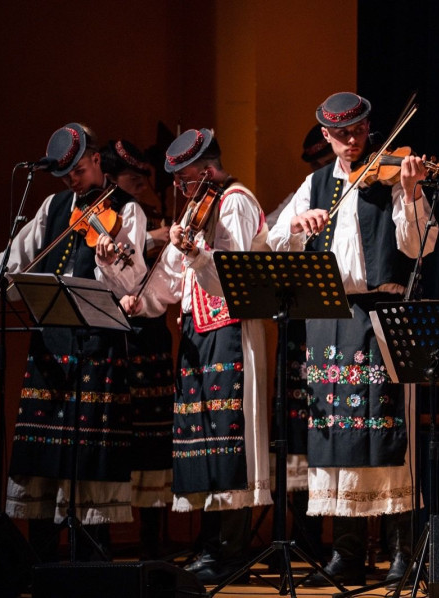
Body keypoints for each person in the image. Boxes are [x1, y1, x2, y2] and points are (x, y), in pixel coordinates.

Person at [267, 91, 436, 587]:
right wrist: (297, 225)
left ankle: (401, 551)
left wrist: (411, 192)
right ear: (326, 135)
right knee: (336, 431)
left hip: (382, 311)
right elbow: (273, 240)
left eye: (359, 130)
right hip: (329, 316)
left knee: (386, 428)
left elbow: (420, 245)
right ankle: (347, 552)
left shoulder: (394, 174)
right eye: (341, 134)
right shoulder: (316, 183)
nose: (352, 140)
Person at [0, 123, 147, 561]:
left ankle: (92, 562)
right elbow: (22, 251)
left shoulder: (127, 211)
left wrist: (109, 263)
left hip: (97, 345)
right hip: (51, 344)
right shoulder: (54, 206)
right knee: (44, 452)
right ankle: (41, 561)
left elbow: (133, 281)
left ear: (96, 159)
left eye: (78, 170)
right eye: (65, 174)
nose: (72, 180)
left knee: (88, 453)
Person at [120, 128, 272, 582]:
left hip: (231, 329)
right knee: (202, 437)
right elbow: (171, 277)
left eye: (183, 179)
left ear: (206, 170)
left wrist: (199, 253)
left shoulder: (236, 202)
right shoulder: (195, 209)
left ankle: (230, 550)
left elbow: (236, 276)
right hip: (197, 332)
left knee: (230, 437)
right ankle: (209, 543)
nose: (179, 188)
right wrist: (143, 300)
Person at [100, 139, 175, 559]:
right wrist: (149, 239)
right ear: (112, 179)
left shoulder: (138, 211)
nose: (143, 186)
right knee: (118, 436)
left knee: (152, 436)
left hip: (148, 331)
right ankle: (105, 543)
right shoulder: (117, 211)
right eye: (135, 179)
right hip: (119, 335)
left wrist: (158, 238)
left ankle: (152, 543)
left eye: (144, 178)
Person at [265, 123, 335, 562]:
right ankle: (300, 536)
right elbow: (269, 237)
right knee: (296, 428)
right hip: (300, 327)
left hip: (335, 322)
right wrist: (293, 225)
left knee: (330, 427)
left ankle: (332, 540)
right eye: (317, 163)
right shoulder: (306, 193)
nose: (323, 169)